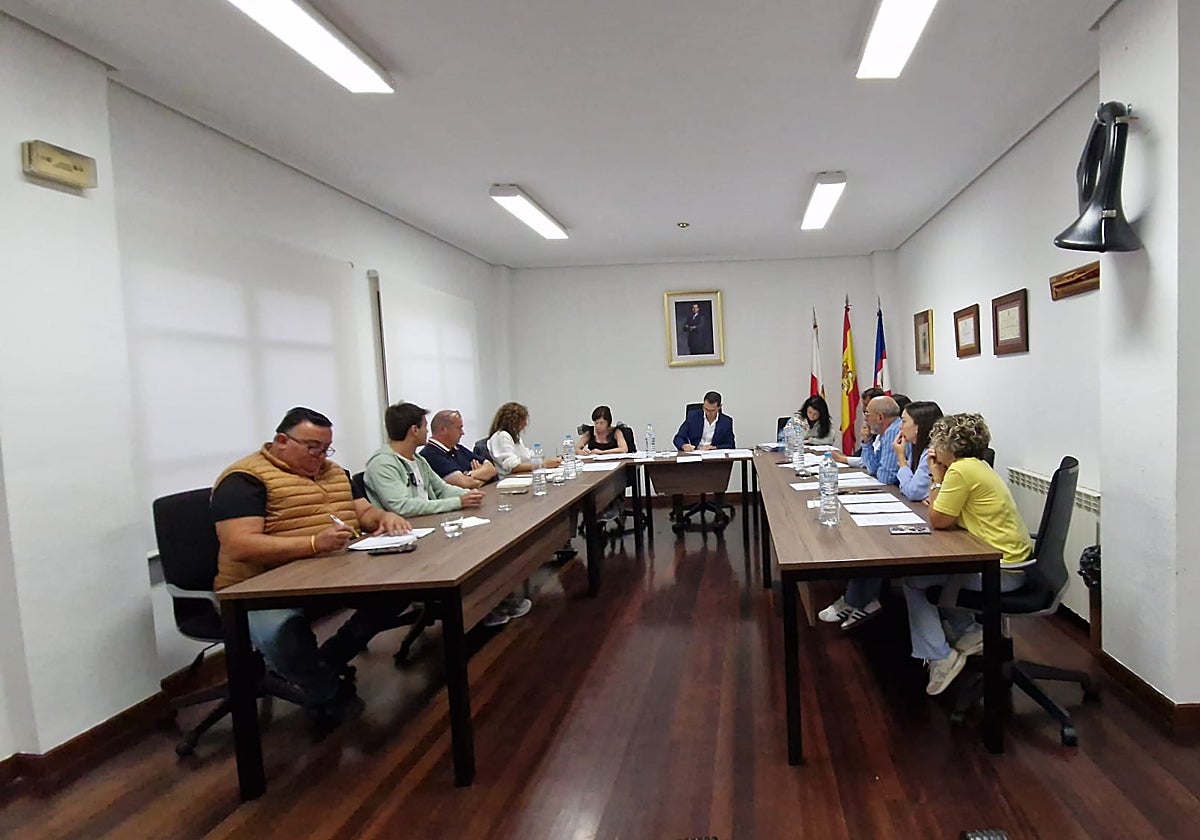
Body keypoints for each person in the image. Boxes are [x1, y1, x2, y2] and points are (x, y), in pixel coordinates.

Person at [211, 407, 412, 730]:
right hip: (259, 589)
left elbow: (363, 512)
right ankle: (326, 690)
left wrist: (383, 518)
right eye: (312, 447)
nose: (320, 456)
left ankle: (327, 661)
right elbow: (240, 544)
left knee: (397, 594)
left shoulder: (335, 473)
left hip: (332, 576)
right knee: (284, 632)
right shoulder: (244, 480)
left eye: (325, 448)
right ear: (281, 441)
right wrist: (314, 544)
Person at [902, 413, 1033, 695]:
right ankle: (969, 632)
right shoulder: (977, 466)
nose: (933, 449)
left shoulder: (960, 471)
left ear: (950, 445)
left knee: (914, 579)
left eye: (936, 442)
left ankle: (940, 656)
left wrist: (936, 479)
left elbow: (937, 520)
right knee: (937, 573)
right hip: (1011, 563)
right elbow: (949, 515)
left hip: (1000, 571)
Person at [819, 395, 905, 629]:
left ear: (880, 417)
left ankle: (859, 600)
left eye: (866, 413)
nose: (863, 417)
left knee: (866, 540)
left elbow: (885, 477)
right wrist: (867, 441)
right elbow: (873, 467)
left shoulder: (894, 433)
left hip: (898, 500)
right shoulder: (884, 434)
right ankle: (858, 599)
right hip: (892, 497)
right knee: (862, 536)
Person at [364, 402, 486, 517]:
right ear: (414, 430)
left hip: (428, 520)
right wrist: (458, 502)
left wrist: (469, 495)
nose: (427, 431)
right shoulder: (382, 465)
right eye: (425, 426)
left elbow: (442, 489)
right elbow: (403, 507)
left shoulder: (419, 460)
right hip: (408, 529)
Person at [420, 409, 497, 489]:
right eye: (459, 428)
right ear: (443, 430)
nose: (462, 432)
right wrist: (482, 477)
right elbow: (463, 484)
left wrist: (468, 474)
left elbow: (491, 469)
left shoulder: (458, 448)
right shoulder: (430, 454)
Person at [893, 400, 943, 502]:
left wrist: (901, 460)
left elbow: (913, 492)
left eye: (904, 421)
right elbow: (906, 486)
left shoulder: (932, 452)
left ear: (918, 426)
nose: (900, 426)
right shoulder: (916, 447)